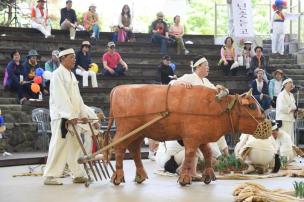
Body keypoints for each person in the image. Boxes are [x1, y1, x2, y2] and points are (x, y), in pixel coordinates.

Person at [43, 48, 99, 185]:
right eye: (71, 57)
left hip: (73, 116)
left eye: (75, 57)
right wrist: (69, 115)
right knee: (59, 145)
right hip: (62, 117)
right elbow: (60, 97)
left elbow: (78, 99)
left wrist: (85, 115)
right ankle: (50, 176)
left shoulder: (72, 75)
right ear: (62, 59)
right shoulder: (57, 74)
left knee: (75, 146)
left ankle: (78, 174)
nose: (74, 60)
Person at [169, 56, 230, 158]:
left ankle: (226, 155)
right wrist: (182, 83)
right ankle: (219, 158)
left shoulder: (206, 81)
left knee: (218, 129)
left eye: (208, 66)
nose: (208, 68)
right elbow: (171, 83)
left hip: (205, 117)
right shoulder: (189, 77)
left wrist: (219, 89)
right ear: (198, 67)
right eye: (206, 65)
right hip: (192, 118)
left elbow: (215, 93)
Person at [276, 78, 297, 143]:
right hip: (283, 119)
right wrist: (291, 108)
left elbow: (294, 106)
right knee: (283, 138)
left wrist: (292, 108)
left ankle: (289, 151)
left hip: (290, 118)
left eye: (292, 83)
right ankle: (281, 152)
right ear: (285, 85)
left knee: (290, 137)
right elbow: (281, 108)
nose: (291, 85)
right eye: (289, 83)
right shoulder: (281, 95)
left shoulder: (291, 95)